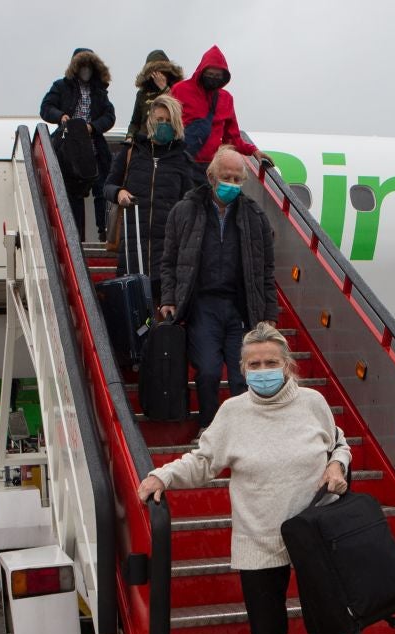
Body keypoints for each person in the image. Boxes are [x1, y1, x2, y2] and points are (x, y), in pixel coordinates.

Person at [137, 324, 354, 634]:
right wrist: (164, 474)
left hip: (314, 536)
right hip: (259, 538)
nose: (263, 370)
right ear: (240, 369)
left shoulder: (313, 403)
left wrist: (337, 465)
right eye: (253, 365)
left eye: (271, 363)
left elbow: (340, 444)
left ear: (287, 365)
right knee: (266, 633)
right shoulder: (233, 414)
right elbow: (203, 461)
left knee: (326, 630)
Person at [160, 145, 276, 429]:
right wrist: (168, 297)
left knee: (240, 377)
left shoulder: (255, 217)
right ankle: (210, 430)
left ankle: (240, 432)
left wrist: (269, 312)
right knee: (209, 372)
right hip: (203, 305)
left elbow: (266, 270)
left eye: (238, 179)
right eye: (227, 177)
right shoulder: (184, 211)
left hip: (239, 306)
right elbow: (169, 261)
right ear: (211, 176)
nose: (232, 184)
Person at [104, 95, 195, 305]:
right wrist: (119, 192)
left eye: (168, 121)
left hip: (167, 251)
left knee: (163, 314)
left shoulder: (182, 160)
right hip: (132, 245)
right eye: (159, 120)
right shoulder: (131, 152)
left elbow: (190, 202)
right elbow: (107, 186)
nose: (163, 125)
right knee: (133, 312)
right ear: (150, 121)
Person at [40, 48, 116, 242]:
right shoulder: (61, 86)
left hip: (93, 148)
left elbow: (109, 116)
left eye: (89, 67)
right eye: (82, 66)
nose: (86, 70)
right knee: (74, 194)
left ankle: (103, 230)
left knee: (101, 189)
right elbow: (46, 107)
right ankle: (75, 237)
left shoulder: (99, 91)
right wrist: (61, 116)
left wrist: (93, 127)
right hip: (69, 149)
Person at [169, 45, 272, 167]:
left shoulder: (226, 98)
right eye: (210, 74)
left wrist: (254, 151)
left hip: (211, 167)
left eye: (218, 76)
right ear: (201, 71)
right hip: (180, 162)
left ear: (224, 77)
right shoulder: (180, 90)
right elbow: (166, 123)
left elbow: (233, 138)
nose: (213, 79)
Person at [125, 50, 183, 141]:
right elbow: (135, 122)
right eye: (155, 72)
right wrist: (130, 136)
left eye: (162, 71)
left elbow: (180, 113)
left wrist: (164, 88)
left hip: (168, 143)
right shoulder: (142, 94)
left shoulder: (177, 89)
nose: (158, 76)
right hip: (144, 143)